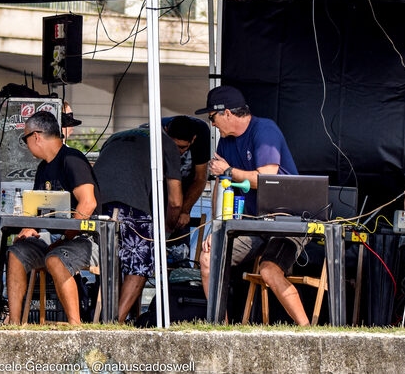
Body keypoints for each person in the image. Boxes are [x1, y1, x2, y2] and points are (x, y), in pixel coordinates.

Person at [196, 85, 310, 326]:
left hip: (286, 220)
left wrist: (228, 170)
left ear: (227, 113)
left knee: (269, 270)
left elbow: (266, 179)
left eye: (212, 117)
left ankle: (308, 331)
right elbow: (221, 186)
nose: (212, 124)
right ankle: (221, 330)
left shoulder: (264, 129)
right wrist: (215, 227)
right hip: (253, 223)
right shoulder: (225, 143)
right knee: (208, 258)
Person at [6, 111, 101, 325]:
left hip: (86, 240)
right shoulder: (43, 168)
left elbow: (88, 203)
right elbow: (38, 208)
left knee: (55, 259)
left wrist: (64, 238)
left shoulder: (72, 159)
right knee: (16, 253)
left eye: (25, 139)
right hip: (55, 240)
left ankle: (75, 325)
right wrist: (29, 227)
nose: (27, 144)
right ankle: (13, 324)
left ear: (36, 136)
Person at [93, 127, 182, 321]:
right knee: (140, 264)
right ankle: (116, 322)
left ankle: (106, 315)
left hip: (93, 203)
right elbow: (175, 201)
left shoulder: (115, 136)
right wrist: (168, 230)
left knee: (108, 260)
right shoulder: (167, 143)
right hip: (130, 205)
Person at [162, 115, 210, 259]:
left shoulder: (201, 133)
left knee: (179, 248)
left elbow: (200, 178)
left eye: (183, 147)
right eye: (173, 145)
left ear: (193, 139)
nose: (177, 151)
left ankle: (179, 265)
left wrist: (184, 211)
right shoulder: (156, 130)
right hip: (158, 189)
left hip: (185, 192)